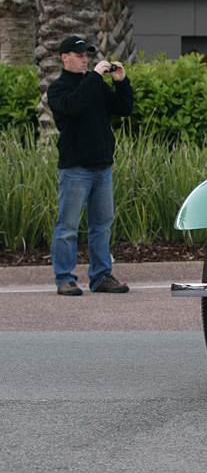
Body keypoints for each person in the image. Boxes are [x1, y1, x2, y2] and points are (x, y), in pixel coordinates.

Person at [47, 35, 135, 296]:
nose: (85, 59)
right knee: (67, 227)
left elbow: (123, 108)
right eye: (79, 55)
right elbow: (73, 106)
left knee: (101, 226)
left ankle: (101, 276)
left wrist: (122, 83)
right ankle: (64, 278)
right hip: (75, 169)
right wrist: (96, 77)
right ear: (65, 58)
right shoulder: (58, 88)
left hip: (102, 167)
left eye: (87, 55)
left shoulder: (94, 84)